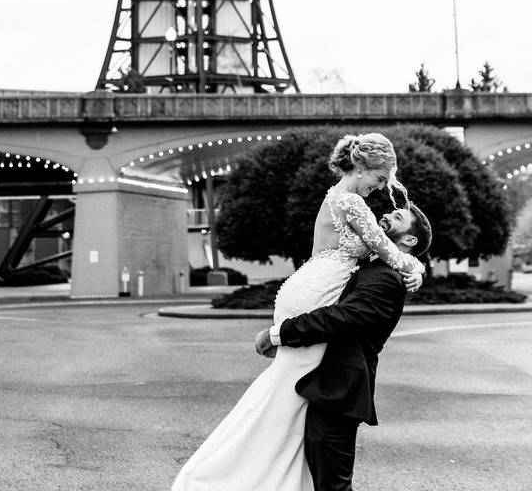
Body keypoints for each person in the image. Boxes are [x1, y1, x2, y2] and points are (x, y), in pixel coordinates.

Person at [171, 133, 425, 491]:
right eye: (380, 179)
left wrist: (413, 263)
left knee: (287, 393)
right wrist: (416, 270)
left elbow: (377, 253)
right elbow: (388, 251)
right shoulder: (353, 203)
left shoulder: (336, 196)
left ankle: (255, 473)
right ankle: (227, 475)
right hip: (315, 294)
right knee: (290, 393)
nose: (381, 189)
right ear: (362, 167)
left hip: (309, 284)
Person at [256, 199, 432, 491]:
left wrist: (280, 333)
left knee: (332, 484)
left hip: (339, 389)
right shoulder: (377, 265)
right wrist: (418, 269)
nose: (386, 215)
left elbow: (342, 318)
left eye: (397, 217)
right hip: (325, 384)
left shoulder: (387, 279)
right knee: (318, 478)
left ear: (410, 239)